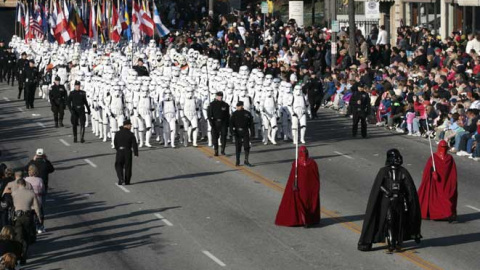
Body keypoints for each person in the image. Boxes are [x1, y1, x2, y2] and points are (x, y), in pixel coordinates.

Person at [358, 149, 422, 252]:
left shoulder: (403, 172)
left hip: (400, 201)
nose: (398, 159)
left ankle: (398, 242)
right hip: (387, 202)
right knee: (389, 221)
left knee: (399, 222)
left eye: (398, 157)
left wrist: (408, 200)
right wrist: (386, 191)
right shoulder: (384, 171)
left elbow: (409, 188)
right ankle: (391, 243)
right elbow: (379, 186)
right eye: (395, 157)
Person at [275, 146, 320, 227]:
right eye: (303, 152)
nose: (304, 154)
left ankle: (307, 220)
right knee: (300, 203)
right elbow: (292, 177)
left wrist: (315, 187)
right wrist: (294, 184)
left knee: (308, 203)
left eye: (305, 152)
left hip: (309, 188)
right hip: (299, 187)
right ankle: (302, 220)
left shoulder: (312, 163)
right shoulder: (296, 164)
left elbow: (315, 176)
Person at [417, 140, 458, 221]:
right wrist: (433, 173)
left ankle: (448, 214)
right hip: (435, 183)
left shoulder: (450, 158)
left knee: (447, 197)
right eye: (442, 147)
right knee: (435, 199)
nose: (443, 149)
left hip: (446, 183)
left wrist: (451, 183)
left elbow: (452, 173)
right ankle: (439, 214)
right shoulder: (433, 157)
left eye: (445, 147)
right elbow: (427, 171)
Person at [11, 178, 41, 265]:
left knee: (18, 237)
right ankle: (24, 256)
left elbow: (12, 206)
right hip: (28, 216)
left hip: (17, 217)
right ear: (25, 184)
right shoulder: (31, 193)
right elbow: (36, 207)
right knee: (27, 236)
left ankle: (17, 255)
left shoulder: (14, 193)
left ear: (18, 184)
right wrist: (39, 217)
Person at [230, 101, 255, 166]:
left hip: (245, 131)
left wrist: (252, 133)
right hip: (237, 132)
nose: (237, 107)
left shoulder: (247, 113)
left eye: (238, 106)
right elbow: (231, 123)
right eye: (237, 106)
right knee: (238, 146)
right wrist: (232, 132)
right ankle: (237, 160)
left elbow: (251, 124)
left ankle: (246, 160)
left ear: (242, 106)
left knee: (247, 146)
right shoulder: (234, 114)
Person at [114, 120, 139, 185]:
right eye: (130, 125)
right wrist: (136, 153)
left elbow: (115, 143)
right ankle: (127, 181)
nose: (131, 126)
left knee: (118, 165)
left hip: (120, 151)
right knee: (128, 167)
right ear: (127, 125)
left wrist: (118, 150)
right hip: (128, 152)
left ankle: (120, 178)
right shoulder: (131, 134)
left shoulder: (118, 133)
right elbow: (134, 144)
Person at [23, 165, 45, 234]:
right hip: (37, 198)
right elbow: (42, 190)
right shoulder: (39, 180)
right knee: (39, 213)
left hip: (28, 199)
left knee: (29, 214)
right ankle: (39, 227)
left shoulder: (25, 180)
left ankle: (30, 227)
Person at [208, 92, 230, 156]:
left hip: (223, 123)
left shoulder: (225, 105)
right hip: (215, 122)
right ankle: (216, 150)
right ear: (216, 96)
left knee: (223, 137)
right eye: (219, 96)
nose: (221, 97)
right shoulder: (212, 104)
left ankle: (223, 150)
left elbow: (227, 115)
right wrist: (211, 122)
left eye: (221, 96)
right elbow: (209, 114)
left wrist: (227, 123)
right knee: (215, 137)